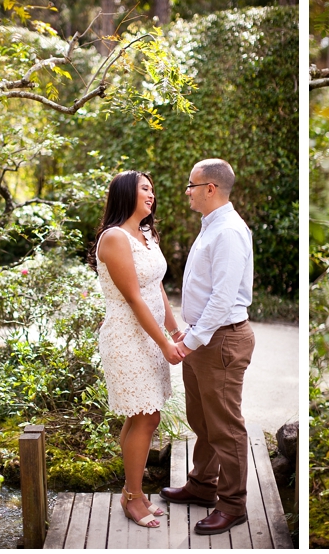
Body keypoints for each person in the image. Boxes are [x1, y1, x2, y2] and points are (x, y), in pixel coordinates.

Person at [160, 158, 255, 536]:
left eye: (191, 185)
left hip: (222, 339)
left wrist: (194, 340)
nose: (187, 191)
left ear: (210, 189)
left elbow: (223, 297)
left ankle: (233, 505)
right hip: (202, 336)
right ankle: (202, 485)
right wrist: (190, 332)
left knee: (225, 427)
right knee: (202, 421)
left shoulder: (229, 231)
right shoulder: (213, 226)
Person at [92, 170, 184, 529]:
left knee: (141, 415)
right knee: (147, 416)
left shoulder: (145, 234)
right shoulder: (114, 238)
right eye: (145, 188)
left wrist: (174, 330)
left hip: (150, 335)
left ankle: (134, 492)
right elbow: (132, 297)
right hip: (128, 338)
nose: (152, 194)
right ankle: (133, 496)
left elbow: (155, 287)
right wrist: (164, 343)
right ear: (126, 193)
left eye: (152, 188)